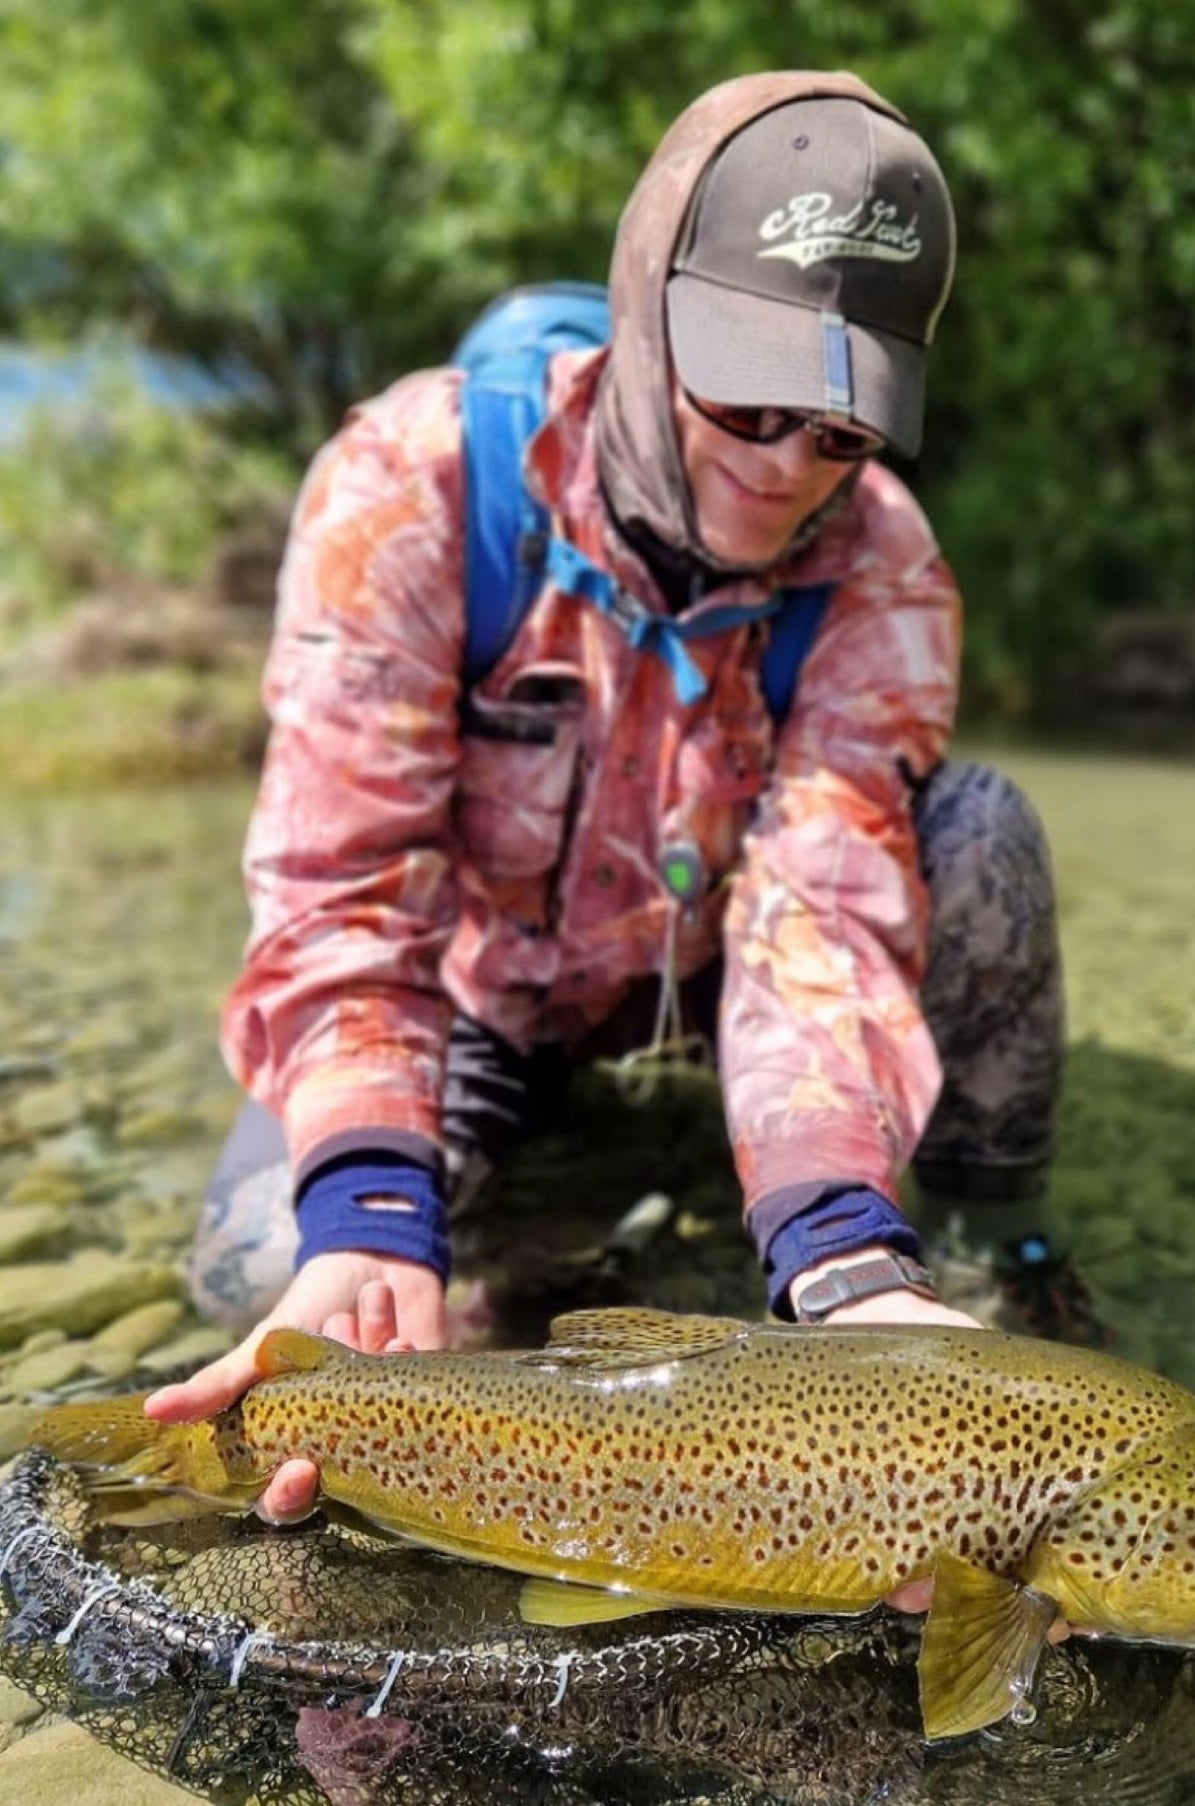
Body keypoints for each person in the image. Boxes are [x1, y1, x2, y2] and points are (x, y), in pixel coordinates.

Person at [145, 70, 1066, 1532]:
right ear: (647, 314)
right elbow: (341, 899)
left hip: (721, 986)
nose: (785, 468)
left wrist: (846, 1263)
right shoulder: (418, 482)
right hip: (480, 999)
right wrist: (370, 1214)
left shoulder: (883, 565)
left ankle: (995, 1238)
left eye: (841, 432)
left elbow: (819, 912)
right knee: (267, 1286)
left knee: (983, 833)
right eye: (748, 400)